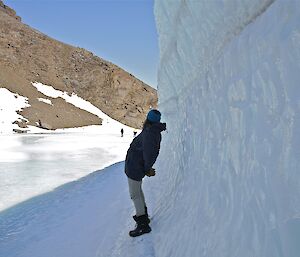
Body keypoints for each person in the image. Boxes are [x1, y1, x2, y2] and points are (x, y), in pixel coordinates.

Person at [124, 109, 166, 237]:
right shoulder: (151, 131)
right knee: (138, 193)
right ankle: (144, 216)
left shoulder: (150, 133)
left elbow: (150, 154)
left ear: (149, 119)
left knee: (134, 195)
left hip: (136, 168)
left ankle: (143, 225)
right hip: (135, 167)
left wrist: (147, 168)